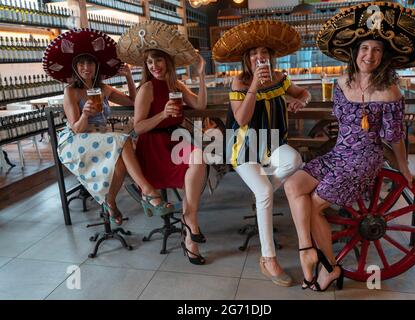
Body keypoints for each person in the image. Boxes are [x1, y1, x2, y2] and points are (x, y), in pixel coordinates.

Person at [284, 2, 415, 291]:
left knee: (315, 206)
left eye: (377, 50)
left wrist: (403, 168)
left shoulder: (390, 90)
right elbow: (340, 123)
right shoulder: (341, 82)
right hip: (339, 153)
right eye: (365, 49)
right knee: (292, 185)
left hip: (364, 159)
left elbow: (394, 137)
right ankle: (307, 251)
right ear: (355, 52)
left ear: (384, 56)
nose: (370, 55)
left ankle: (329, 269)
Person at [212, 19, 311, 287]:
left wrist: (301, 100)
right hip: (243, 148)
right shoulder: (239, 82)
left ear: (270, 56)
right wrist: (254, 85)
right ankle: (268, 260)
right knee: (266, 192)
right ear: (247, 59)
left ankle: (261, 195)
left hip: (272, 145)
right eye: (254, 54)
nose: (259, 57)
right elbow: (242, 119)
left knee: (294, 159)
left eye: (264, 53)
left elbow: (304, 92)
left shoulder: (280, 78)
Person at [43, 29, 174, 226]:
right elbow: (77, 129)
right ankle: (147, 191)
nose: (86, 67)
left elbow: (132, 101)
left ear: (97, 66)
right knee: (123, 139)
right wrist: (86, 114)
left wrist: (129, 77)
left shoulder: (103, 89)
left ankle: (110, 202)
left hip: (101, 138)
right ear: (75, 67)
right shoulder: (71, 91)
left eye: (90, 63)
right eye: (81, 63)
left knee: (120, 161)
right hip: (77, 140)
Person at [117, 21, 207, 265]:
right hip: (154, 148)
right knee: (194, 167)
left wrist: (200, 75)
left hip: (175, 142)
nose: (154, 66)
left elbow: (199, 106)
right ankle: (190, 236)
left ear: (168, 61)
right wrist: (163, 115)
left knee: (198, 160)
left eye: (158, 60)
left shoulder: (176, 85)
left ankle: (189, 220)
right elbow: (138, 128)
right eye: (149, 62)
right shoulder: (146, 88)